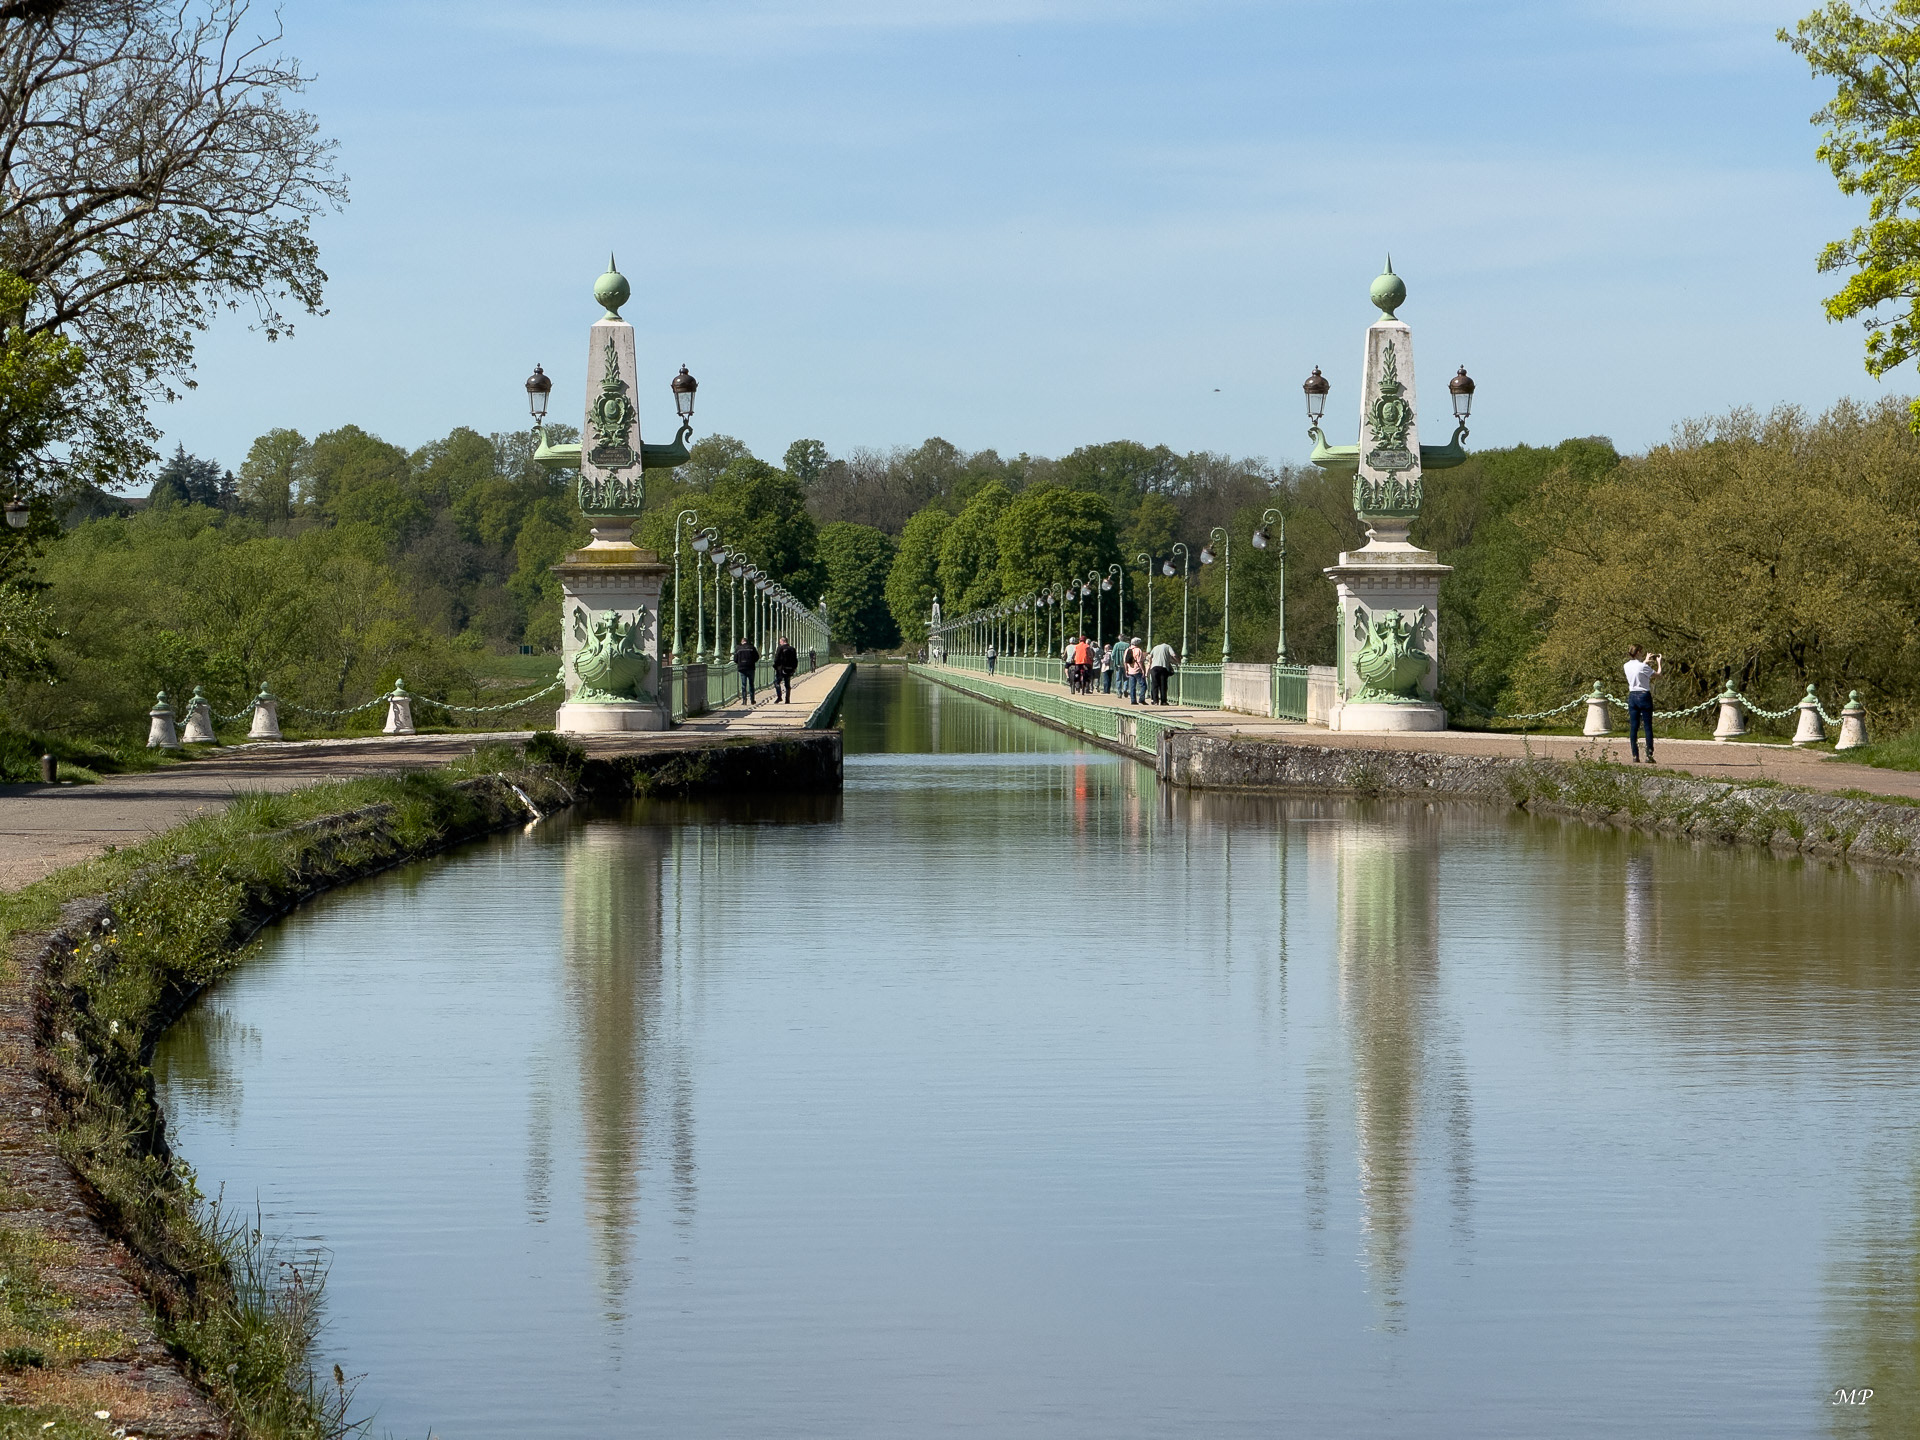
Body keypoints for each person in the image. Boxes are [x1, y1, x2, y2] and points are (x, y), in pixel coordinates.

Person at [1624, 644, 1662, 763]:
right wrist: (1659, 663)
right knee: (1647, 726)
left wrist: (1645, 661)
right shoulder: (1642, 667)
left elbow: (1637, 671)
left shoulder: (1626, 665)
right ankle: (1649, 755)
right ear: (1639, 652)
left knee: (1634, 727)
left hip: (1632, 695)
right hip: (1644, 695)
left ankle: (1635, 755)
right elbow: (1658, 675)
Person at [1147, 638, 1177, 705]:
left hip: (1154, 668)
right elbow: (1173, 655)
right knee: (1163, 685)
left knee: (1154, 685)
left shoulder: (1155, 647)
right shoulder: (1167, 646)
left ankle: (1155, 701)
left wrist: (1150, 663)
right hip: (1163, 668)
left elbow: (1149, 656)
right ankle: (1163, 701)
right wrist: (1177, 662)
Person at [734, 636, 761, 704]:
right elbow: (757, 657)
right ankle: (752, 699)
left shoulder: (738, 648)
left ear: (742, 642)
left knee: (743, 684)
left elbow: (735, 659)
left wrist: (740, 663)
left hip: (742, 668)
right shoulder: (752, 648)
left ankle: (744, 700)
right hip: (751, 667)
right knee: (751, 684)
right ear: (747, 641)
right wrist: (752, 662)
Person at [772, 634, 799, 703]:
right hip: (790, 669)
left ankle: (779, 697)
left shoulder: (780, 648)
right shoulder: (792, 649)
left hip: (781, 669)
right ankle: (787, 699)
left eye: (780, 642)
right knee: (787, 684)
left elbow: (777, 658)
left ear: (783, 641)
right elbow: (795, 660)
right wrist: (794, 668)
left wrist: (775, 666)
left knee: (776, 682)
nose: (779, 643)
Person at [1123, 637, 1146, 704]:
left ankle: (1133, 700)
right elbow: (1139, 661)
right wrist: (1143, 670)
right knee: (1143, 685)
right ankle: (1141, 699)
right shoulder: (1138, 650)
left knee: (1132, 686)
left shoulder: (1127, 650)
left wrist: (1126, 670)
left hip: (1130, 671)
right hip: (1137, 670)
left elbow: (1125, 661)